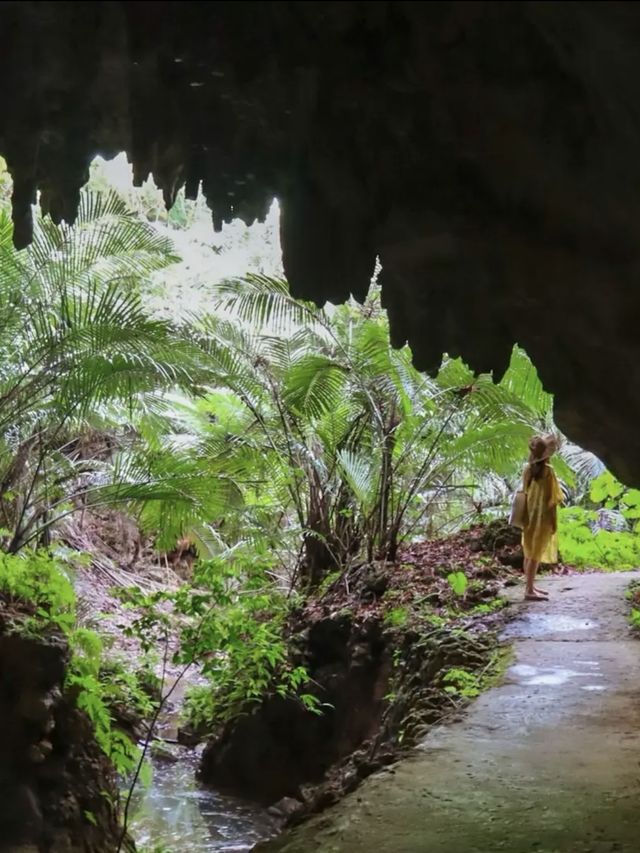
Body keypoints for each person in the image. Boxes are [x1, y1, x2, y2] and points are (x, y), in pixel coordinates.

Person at [521, 434, 563, 601]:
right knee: (535, 553)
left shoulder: (527, 469)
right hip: (543, 516)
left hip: (529, 514)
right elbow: (553, 499)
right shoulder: (548, 471)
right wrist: (553, 521)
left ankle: (529, 586)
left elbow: (524, 491)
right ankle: (529, 591)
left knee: (529, 551)